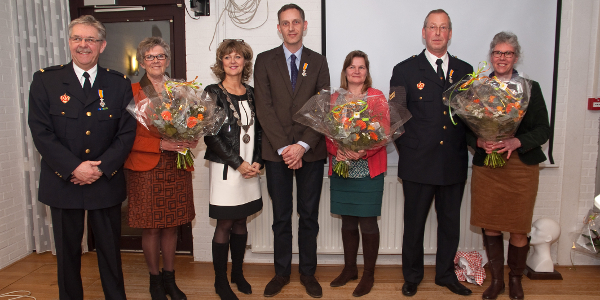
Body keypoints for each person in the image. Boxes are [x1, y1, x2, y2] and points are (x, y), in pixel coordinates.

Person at [27, 15, 135, 299]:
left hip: (104, 180)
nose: (83, 45)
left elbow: (126, 133)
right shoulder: (46, 81)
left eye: (90, 39)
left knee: (111, 253)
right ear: (69, 42)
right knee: (67, 254)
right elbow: (41, 132)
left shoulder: (118, 83)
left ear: (102, 45)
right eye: (77, 38)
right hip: (63, 181)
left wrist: (100, 169)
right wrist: (74, 168)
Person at [390, 9, 474, 297]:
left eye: (443, 28)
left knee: (450, 225)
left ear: (450, 34)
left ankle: (445, 275)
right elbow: (395, 119)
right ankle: (412, 276)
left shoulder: (465, 71)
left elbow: (470, 118)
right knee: (413, 225)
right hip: (418, 163)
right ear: (423, 33)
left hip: (452, 162)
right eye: (432, 27)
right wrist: (410, 152)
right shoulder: (404, 70)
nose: (437, 33)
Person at [254, 3, 330, 298]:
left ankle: (308, 273)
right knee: (281, 217)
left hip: (311, 151)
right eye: (285, 23)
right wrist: (287, 148)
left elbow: (323, 108)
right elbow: (264, 107)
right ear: (279, 28)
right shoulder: (264, 60)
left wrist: (302, 146)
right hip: (277, 153)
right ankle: (282, 272)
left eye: (296, 22)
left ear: (304, 25)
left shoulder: (318, 61)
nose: (291, 27)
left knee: (309, 216)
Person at [468, 31, 550, 300]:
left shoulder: (530, 88)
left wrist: (517, 141)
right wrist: (479, 141)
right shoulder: (478, 87)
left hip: (520, 168)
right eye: (497, 53)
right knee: (490, 224)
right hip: (488, 168)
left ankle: (516, 280)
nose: (502, 58)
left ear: (516, 57)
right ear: (491, 56)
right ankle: (497, 282)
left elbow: (542, 130)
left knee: (518, 227)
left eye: (508, 53)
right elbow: (465, 129)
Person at [124, 37, 195, 300]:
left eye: (161, 56)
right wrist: (160, 144)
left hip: (176, 164)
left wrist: (191, 136)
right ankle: (155, 281)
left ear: (167, 59)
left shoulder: (181, 90)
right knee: (151, 227)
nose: (156, 61)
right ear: (142, 62)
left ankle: (170, 278)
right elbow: (124, 135)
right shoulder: (131, 91)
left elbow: (193, 120)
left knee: (172, 226)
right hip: (146, 166)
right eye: (150, 57)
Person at [204, 39, 263, 300]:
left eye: (238, 57)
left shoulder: (252, 92)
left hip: (251, 168)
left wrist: (257, 161)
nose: (233, 61)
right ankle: (220, 282)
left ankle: (237, 274)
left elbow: (260, 132)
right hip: (227, 169)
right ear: (221, 63)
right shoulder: (212, 92)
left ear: (245, 62)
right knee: (225, 223)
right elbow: (210, 135)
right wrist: (237, 163)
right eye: (227, 57)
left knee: (241, 221)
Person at [327, 51, 387, 297]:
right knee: (348, 220)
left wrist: (363, 152)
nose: (356, 71)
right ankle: (350, 269)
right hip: (343, 168)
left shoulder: (377, 97)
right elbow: (327, 134)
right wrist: (338, 150)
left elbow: (383, 133)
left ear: (367, 71)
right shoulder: (334, 98)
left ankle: (368, 274)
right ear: (345, 71)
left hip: (367, 170)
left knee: (368, 222)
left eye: (361, 67)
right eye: (352, 67)